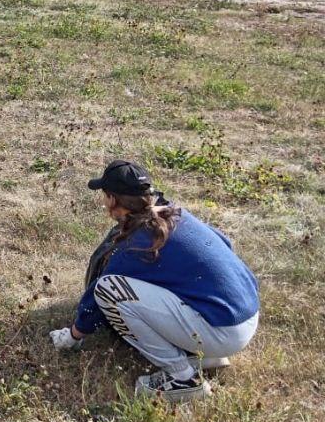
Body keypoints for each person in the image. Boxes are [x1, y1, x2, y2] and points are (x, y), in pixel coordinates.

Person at [50, 160, 260, 403]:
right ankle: (205, 353)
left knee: (109, 290)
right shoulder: (176, 212)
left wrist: (72, 336)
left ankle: (183, 378)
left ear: (112, 200)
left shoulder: (136, 243)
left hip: (224, 330)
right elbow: (225, 243)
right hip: (246, 313)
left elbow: (96, 298)